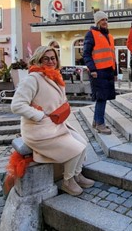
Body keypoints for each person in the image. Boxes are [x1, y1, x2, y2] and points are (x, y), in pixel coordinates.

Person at [11, 46, 94, 196]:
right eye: (46, 58)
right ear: (38, 60)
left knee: (83, 143)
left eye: (53, 58)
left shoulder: (55, 77)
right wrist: (39, 115)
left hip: (56, 125)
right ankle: (67, 181)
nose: (51, 61)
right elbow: (16, 105)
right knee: (75, 149)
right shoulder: (33, 78)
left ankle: (76, 174)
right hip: (38, 130)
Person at [82, 11, 117, 135]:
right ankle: (100, 124)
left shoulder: (110, 36)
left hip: (108, 71)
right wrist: (93, 69)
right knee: (101, 98)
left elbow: (112, 56)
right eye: (102, 20)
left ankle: (97, 121)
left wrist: (115, 72)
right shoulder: (91, 34)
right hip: (98, 72)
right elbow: (86, 54)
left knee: (103, 98)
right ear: (97, 22)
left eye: (106, 20)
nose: (105, 22)